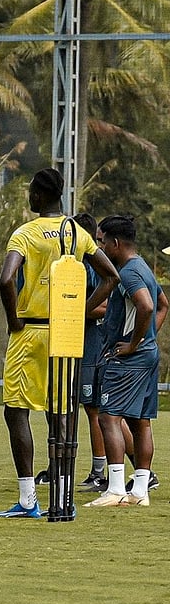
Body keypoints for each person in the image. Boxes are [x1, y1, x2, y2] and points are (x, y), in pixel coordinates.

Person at [0, 169, 117, 517]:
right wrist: (80, 310)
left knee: (16, 410)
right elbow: (111, 276)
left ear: (37, 196)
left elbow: (6, 279)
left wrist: (14, 320)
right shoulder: (78, 232)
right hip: (65, 333)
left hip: (31, 331)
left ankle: (28, 499)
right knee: (62, 412)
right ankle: (64, 496)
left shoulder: (26, 233)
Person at [85, 215, 168, 507]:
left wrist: (133, 343)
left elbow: (147, 306)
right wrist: (148, 340)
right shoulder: (143, 266)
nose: (100, 247)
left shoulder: (129, 273)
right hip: (147, 356)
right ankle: (140, 491)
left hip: (128, 359)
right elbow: (163, 305)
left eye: (101, 241)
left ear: (116, 243)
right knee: (140, 422)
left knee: (108, 417)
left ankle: (116, 488)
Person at [68, 213, 116, 493]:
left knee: (95, 409)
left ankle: (101, 472)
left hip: (94, 345)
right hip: (82, 343)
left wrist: (78, 310)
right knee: (92, 409)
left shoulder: (94, 266)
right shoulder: (78, 264)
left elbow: (108, 306)